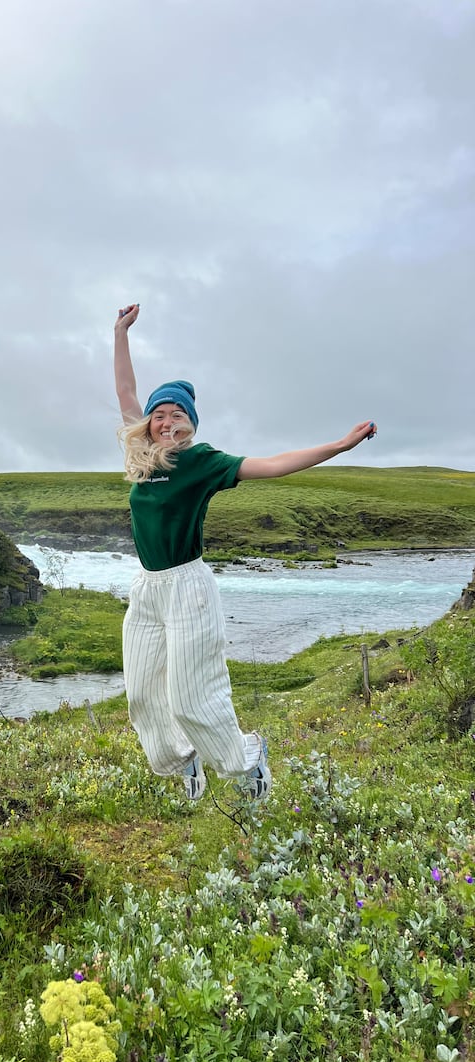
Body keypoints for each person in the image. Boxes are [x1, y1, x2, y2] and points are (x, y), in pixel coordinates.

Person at [113, 303, 378, 803]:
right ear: (149, 424)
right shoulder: (141, 457)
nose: (167, 422)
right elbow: (126, 390)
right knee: (144, 694)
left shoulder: (203, 461)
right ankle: (183, 760)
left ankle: (247, 763)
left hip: (187, 586)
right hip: (146, 589)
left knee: (193, 696)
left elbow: (275, 464)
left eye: (178, 415)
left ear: (190, 423)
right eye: (159, 415)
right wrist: (120, 331)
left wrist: (340, 446)